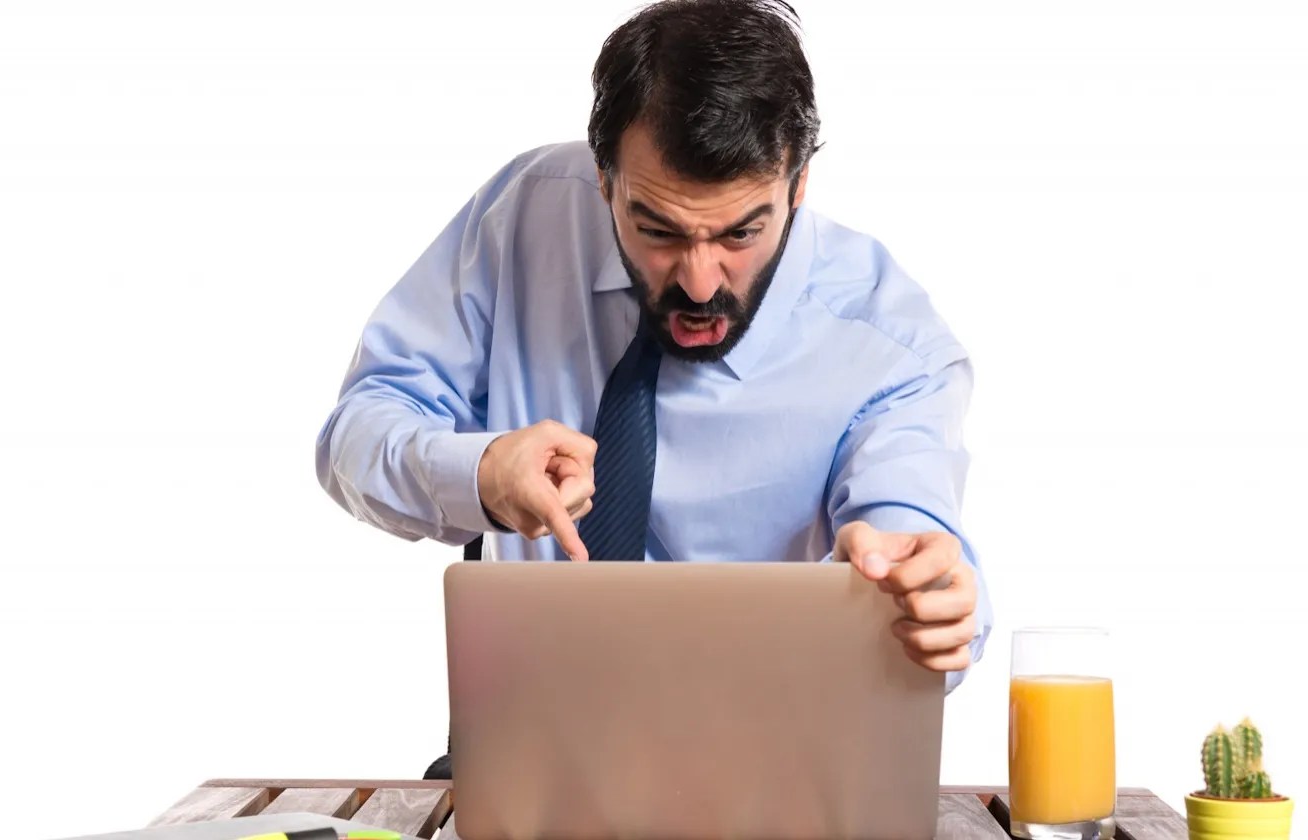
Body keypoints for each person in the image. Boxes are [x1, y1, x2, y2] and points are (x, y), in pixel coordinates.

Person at [316, 0, 990, 713]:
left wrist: (924, 595)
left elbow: (910, 534)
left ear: (797, 186)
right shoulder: (526, 217)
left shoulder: (890, 348)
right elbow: (353, 438)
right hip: (528, 741)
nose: (699, 282)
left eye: (741, 233)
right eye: (657, 229)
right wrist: (479, 473)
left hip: (760, 757)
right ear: (604, 179)